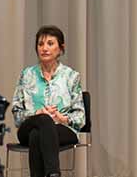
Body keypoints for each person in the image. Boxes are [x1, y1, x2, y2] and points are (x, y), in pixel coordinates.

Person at [11, 25, 86, 177]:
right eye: (40, 44)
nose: (44, 48)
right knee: (43, 120)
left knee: (36, 136)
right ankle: (54, 173)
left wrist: (61, 117)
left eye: (50, 44)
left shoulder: (71, 76)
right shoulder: (27, 75)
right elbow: (17, 114)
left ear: (61, 48)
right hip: (28, 125)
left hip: (62, 129)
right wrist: (37, 113)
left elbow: (80, 118)